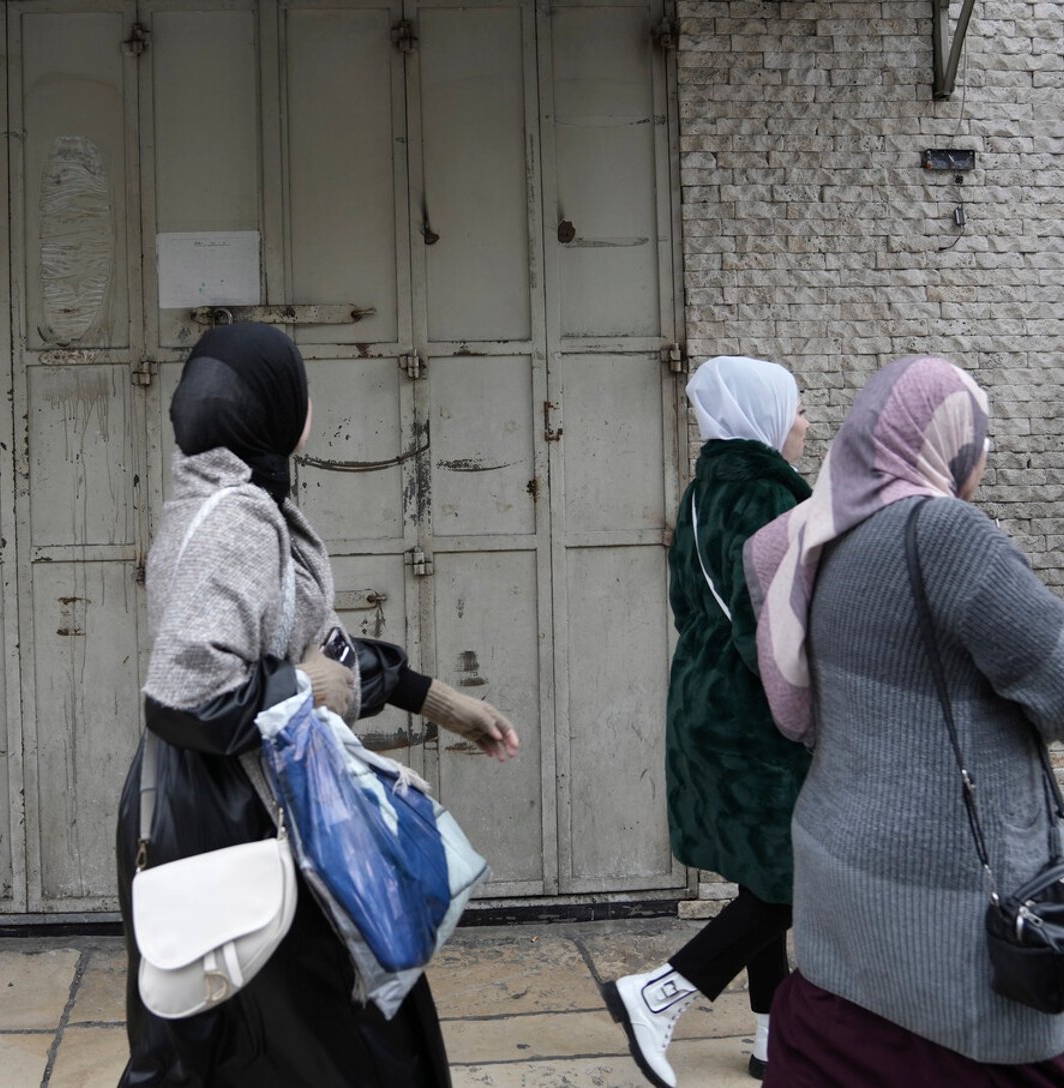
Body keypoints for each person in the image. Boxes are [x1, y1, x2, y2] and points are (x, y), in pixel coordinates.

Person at [114, 322, 521, 1088]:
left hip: (231, 804)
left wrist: (431, 698)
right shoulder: (235, 518)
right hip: (233, 816)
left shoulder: (233, 499)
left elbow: (315, 649)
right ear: (269, 406)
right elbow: (186, 693)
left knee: (230, 1044)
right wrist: (305, 690)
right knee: (320, 1039)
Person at [743, 356, 1064, 1085]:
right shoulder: (944, 533)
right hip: (946, 894)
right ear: (947, 440)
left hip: (840, 876)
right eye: (977, 438)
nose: (982, 457)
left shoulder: (812, 540)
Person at [601, 356, 813, 1087]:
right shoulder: (768, 498)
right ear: (765, 419)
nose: (806, 422)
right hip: (756, 715)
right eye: (797, 408)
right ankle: (661, 993)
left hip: (701, 701)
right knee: (792, 877)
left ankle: (770, 1035)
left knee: (762, 870)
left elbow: (692, 605)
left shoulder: (701, 492)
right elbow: (772, 626)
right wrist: (808, 707)